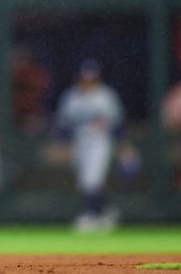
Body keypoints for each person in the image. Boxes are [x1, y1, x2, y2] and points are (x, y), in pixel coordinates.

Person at [53, 59, 124, 233]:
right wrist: (62, 144)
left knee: (93, 179)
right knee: (85, 181)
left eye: (91, 77)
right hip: (80, 143)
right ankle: (106, 211)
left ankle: (91, 215)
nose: (88, 81)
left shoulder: (106, 95)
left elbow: (117, 124)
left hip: (100, 142)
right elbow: (63, 125)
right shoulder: (71, 96)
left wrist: (123, 146)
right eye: (85, 77)